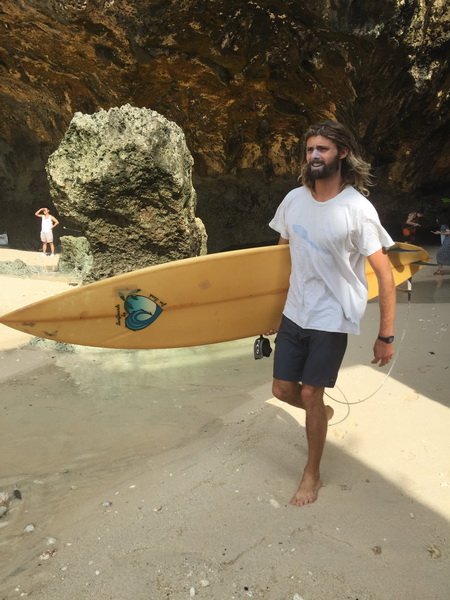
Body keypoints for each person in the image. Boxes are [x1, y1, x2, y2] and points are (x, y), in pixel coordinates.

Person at [269, 120, 396, 507]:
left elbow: (385, 275)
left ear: (342, 153)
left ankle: (312, 472)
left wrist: (385, 335)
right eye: (310, 149)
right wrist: (267, 313)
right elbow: (278, 260)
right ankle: (320, 412)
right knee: (282, 390)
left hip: (332, 316)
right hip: (295, 311)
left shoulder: (358, 209)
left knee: (310, 392)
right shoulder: (293, 200)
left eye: (322, 149)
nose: (314, 155)